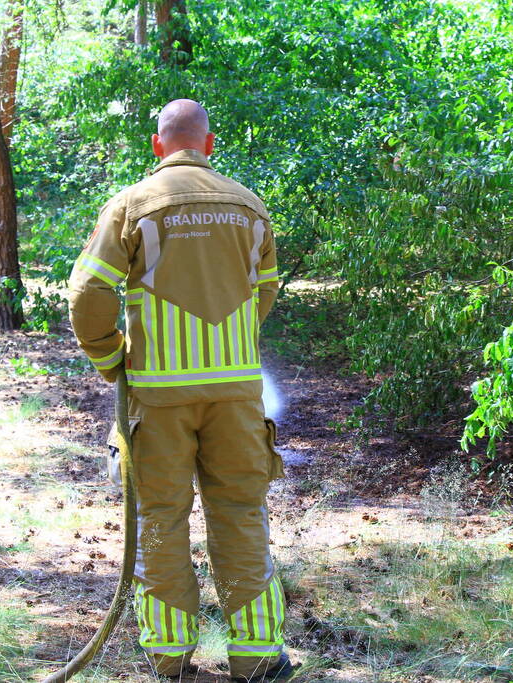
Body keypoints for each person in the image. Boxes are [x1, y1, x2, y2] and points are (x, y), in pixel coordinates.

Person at [69, 99, 294, 682]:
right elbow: (263, 294)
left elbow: (88, 295)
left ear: (157, 145)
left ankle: (169, 658)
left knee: (160, 518)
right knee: (242, 514)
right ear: (209, 145)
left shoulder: (131, 205)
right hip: (237, 396)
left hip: (157, 399)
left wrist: (111, 358)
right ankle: (257, 658)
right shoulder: (250, 206)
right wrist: (229, 346)